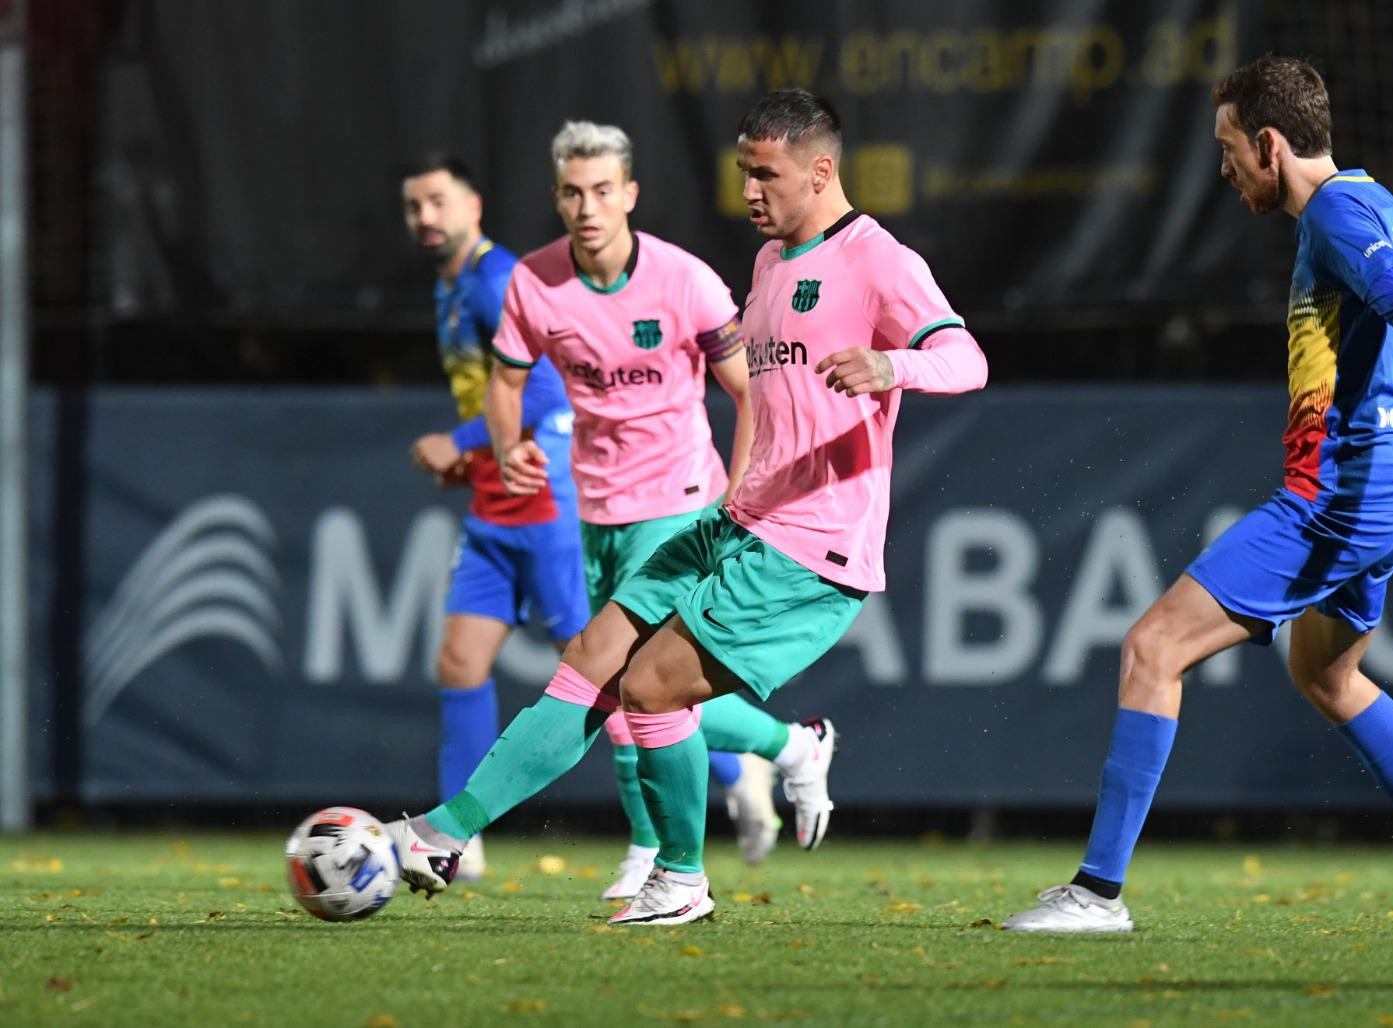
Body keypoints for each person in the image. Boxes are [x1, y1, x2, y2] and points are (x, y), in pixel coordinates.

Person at [391, 89, 988, 925]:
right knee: (594, 654)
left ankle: (679, 878)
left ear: (821, 171)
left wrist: (895, 369)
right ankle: (444, 833)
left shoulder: (877, 260)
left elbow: (966, 358)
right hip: (739, 520)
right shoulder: (771, 262)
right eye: (743, 173)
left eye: (765, 175)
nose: (748, 192)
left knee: (653, 688)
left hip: (812, 546)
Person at [1003, 55, 1393, 935]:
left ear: (1271, 143)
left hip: (1341, 493)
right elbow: (1389, 317)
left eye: (1229, 147)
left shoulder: (1335, 211)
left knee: (1151, 649)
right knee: (1327, 672)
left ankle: (1098, 894)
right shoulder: (1376, 201)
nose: (1225, 165)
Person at [423, 121, 823, 901]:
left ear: (630, 194)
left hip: (680, 503)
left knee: (620, 683)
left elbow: (750, 392)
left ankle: (649, 853)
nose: (588, 206)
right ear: (557, 198)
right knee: (625, 692)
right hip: (593, 509)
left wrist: (736, 498)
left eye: (603, 190)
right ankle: (791, 748)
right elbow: (506, 387)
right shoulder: (534, 285)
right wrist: (505, 447)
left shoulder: (687, 283)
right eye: (573, 192)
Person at [400, 154, 590, 881]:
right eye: (414, 206)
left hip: (541, 496)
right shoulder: (450, 286)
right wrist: (471, 461)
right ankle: (453, 838)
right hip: (493, 501)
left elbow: (546, 394)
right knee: (459, 662)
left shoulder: (497, 279)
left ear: (473, 204)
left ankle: (763, 757)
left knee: (603, 671)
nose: (426, 218)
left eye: (438, 201)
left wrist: (462, 440)